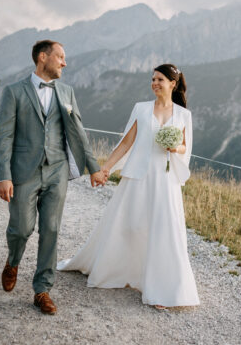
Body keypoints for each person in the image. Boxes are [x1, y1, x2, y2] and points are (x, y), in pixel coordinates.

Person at [58, 64, 199, 309]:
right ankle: (123, 272)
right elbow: (125, 144)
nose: (155, 83)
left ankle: (163, 288)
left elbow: (186, 146)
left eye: (160, 79)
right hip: (138, 176)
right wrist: (106, 168)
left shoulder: (183, 114)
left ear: (173, 84)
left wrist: (175, 148)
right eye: (153, 79)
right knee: (130, 225)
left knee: (164, 230)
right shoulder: (141, 109)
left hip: (165, 180)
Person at [0, 40, 106, 315]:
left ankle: (42, 290)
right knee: (21, 228)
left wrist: (93, 167)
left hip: (56, 170)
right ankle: (13, 261)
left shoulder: (67, 92)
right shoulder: (13, 92)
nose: (64, 63)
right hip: (24, 172)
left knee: (51, 230)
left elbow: (78, 132)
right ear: (42, 58)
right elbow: (4, 137)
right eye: (60, 57)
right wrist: (3, 176)